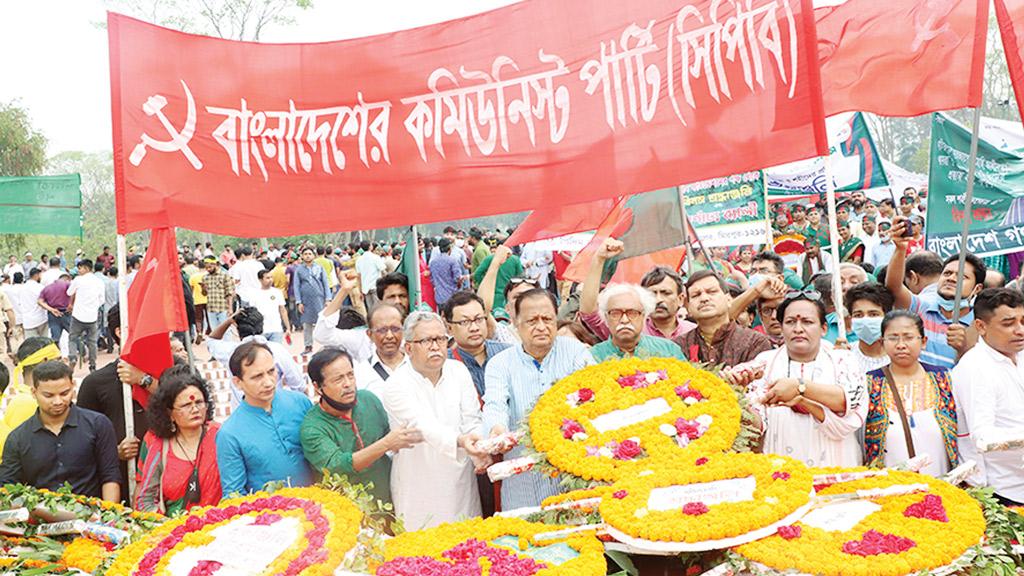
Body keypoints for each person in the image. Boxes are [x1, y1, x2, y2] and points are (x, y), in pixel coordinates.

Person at [725, 291, 867, 467]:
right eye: (791, 322)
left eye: (807, 322)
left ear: (823, 329)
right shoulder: (764, 363)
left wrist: (800, 388)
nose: (798, 329)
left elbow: (848, 401)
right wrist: (736, 396)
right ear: (782, 327)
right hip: (781, 469)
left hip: (837, 463)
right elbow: (756, 424)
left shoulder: (843, 360)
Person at [377, 311, 489, 529]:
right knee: (422, 552)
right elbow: (424, 425)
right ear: (408, 348)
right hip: (418, 485)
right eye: (426, 341)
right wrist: (462, 440)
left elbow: (472, 418)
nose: (436, 346)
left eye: (440, 339)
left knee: (467, 546)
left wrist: (479, 447)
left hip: (460, 482)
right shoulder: (395, 385)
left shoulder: (458, 371)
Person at [483, 289, 594, 509]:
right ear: (516, 323)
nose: (541, 327)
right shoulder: (500, 364)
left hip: (572, 476)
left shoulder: (576, 353)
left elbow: (594, 400)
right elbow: (495, 404)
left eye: (547, 319)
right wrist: (497, 430)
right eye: (532, 321)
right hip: (522, 482)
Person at [301, 348, 422, 508]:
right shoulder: (312, 427)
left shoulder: (368, 399)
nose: (348, 384)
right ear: (318, 387)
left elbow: (392, 436)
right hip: (345, 513)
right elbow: (338, 465)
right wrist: (387, 443)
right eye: (338, 379)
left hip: (389, 500)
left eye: (350, 375)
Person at [0, 360, 121, 501]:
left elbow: (110, 475)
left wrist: (107, 517)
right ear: (34, 392)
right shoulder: (18, 438)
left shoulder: (98, 425)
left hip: (91, 517)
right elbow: (8, 486)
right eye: (48, 396)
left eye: (64, 393)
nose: (58, 401)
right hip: (39, 518)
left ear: (73, 387)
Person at [951, 288, 1024, 506]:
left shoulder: (1020, 355)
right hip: (1002, 491)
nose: (1020, 330)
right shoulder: (975, 368)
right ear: (981, 326)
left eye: (1023, 321)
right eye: (1008, 323)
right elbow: (983, 437)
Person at [864, 310, 958, 476]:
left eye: (908, 337)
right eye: (893, 338)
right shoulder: (869, 383)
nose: (901, 345)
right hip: (889, 488)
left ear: (923, 341)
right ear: (882, 342)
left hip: (942, 485)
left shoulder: (946, 379)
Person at [217, 341, 313, 495]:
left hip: (322, 506)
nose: (268, 382)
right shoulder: (229, 433)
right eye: (257, 376)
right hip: (271, 515)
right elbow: (234, 494)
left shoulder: (300, 403)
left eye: (271, 371)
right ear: (238, 382)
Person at [886, 220, 985, 369]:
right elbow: (894, 288)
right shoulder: (921, 308)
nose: (951, 279)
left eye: (961, 277)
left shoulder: (980, 325)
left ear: (977, 288)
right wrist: (900, 249)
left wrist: (963, 347)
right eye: (947, 273)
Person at [135, 365, 222, 514]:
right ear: (170, 413)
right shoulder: (160, 447)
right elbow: (144, 500)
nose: (195, 409)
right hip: (178, 532)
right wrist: (166, 527)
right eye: (186, 405)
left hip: (221, 526)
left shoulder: (220, 436)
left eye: (199, 403)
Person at [206, 307, 306, 410]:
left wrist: (229, 321)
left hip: (242, 415)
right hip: (274, 410)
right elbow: (298, 383)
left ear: (237, 327)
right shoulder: (277, 350)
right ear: (262, 326)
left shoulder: (229, 351)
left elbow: (211, 340)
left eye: (270, 371)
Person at [676, 270, 773, 367]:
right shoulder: (678, 346)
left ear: (729, 300)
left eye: (712, 292)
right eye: (696, 295)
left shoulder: (754, 342)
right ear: (688, 308)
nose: (704, 298)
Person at [590, 284, 685, 361]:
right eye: (615, 313)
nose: (624, 320)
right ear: (606, 317)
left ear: (643, 316)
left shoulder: (668, 350)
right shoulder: (593, 356)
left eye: (632, 313)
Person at [845, 282, 893, 376]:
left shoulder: (900, 356)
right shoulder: (844, 357)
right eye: (858, 315)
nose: (865, 320)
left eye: (873, 314)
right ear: (851, 319)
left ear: (887, 317)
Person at [66, 259, 106, 371]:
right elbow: (102, 300)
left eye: (80, 268)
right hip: (92, 317)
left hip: (78, 315)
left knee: (73, 338)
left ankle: (73, 357)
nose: (78, 270)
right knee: (92, 342)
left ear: (86, 268)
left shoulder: (78, 280)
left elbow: (69, 292)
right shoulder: (99, 282)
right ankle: (92, 365)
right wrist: (93, 307)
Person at [293, 247, 331, 353]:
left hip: (320, 299)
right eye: (305, 254)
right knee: (306, 323)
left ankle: (326, 345)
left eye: (310, 253)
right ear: (302, 256)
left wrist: (328, 299)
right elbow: (296, 286)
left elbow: (325, 283)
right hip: (305, 301)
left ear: (313, 255)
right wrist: (299, 302)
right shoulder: (299, 270)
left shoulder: (320, 268)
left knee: (323, 323)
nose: (308, 255)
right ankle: (308, 346)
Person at [249, 269, 290, 343]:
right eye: (267, 278)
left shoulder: (277, 292)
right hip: (261, 330)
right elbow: (252, 313)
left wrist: (288, 328)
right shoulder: (254, 294)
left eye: (271, 277)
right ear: (260, 280)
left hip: (276, 329)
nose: (270, 280)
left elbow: (282, 310)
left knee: (276, 352)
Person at [201, 256, 235, 330]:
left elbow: (229, 293)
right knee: (215, 331)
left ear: (215, 264)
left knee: (226, 331)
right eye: (206, 268)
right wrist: (203, 288)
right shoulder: (205, 277)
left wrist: (230, 308)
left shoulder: (224, 275)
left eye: (210, 267)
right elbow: (204, 294)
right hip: (211, 308)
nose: (208, 269)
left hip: (223, 308)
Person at [37, 272, 71, 344]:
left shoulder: (47, 288)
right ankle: (81, 353)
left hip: (53, 314)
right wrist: (71, 305)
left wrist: (51, 309)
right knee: (74, 335)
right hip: (67, 313)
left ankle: (56, 353)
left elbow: (40, 301)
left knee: (55, 338)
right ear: (67, 279)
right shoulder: (68, 284)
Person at [430, 238, 464, 307]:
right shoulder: (452, 261)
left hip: (439, 297)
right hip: (452, 296)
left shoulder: (433, 262)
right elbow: (457, 278)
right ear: (449, 249)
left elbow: (432, 279)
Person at [356, 241, 387, 310]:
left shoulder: (359, 260)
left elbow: (359, 277)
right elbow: (383, 271)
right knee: (379, 308)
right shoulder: (375, 257)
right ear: (370, 247)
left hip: (365, 288)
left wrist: (360, 291)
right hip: (375, 286)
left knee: (371, 309)